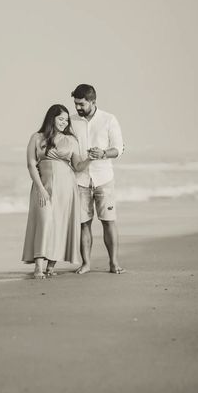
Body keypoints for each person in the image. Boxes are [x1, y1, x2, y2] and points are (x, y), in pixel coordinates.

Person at [22, 104, 94, 279]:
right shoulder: (37, 137)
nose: (64, 122)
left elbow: (77, 166)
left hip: (66, 188)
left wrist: (90, 159)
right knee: (44, 221)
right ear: (51, 118)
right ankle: (38, 267)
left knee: (60, 225)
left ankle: (51, 265)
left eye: (66, 120)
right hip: (43, 187)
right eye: (60, 119)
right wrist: (40, 188)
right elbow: (31, 165)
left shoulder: (71, 140)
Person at [70, 84, 125, 274]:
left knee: (108, 221)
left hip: (104, 178)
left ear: (93, 102)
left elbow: (118, 148)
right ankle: (86, 263)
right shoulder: (72, 121)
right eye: (76, 104)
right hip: (80, 179)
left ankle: (114, 262)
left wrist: (103, 153)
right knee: (83, 223)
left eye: (81, 104)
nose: (77, 107)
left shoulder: (109, 119)